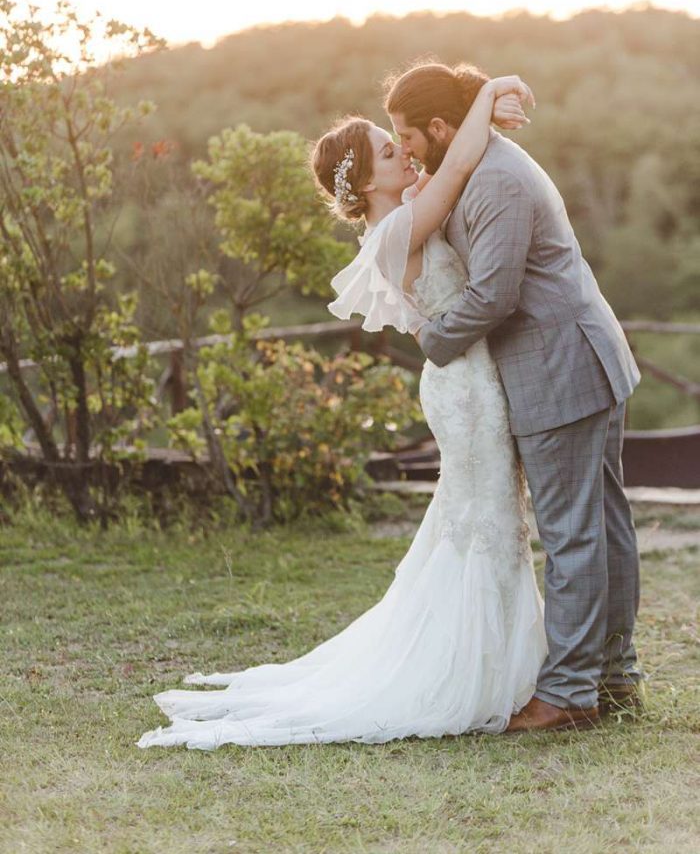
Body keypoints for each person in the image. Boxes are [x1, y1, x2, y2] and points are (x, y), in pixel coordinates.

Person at [137, 74, 547, 751]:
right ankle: (479, 673)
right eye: (391, 153)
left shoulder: (403, 208)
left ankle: (507, 664)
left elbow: (453, 162)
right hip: (464, 389)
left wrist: (477, 104)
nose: (406, 156)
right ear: (365, 183)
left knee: (490, 518)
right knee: (488, 522)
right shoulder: (394, 230)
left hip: (470, 378)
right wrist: (488, 89)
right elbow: (464, 159)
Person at [385, 61, 645, 733]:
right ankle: (615, 677)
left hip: (561, 366)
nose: (405, 148)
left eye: (406, 135)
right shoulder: (476, 162)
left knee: (574, 532)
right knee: (600, 525)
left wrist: (434, 340)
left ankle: (568, 695)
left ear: (441, 127)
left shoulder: (497, 180)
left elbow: (495, 294)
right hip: (577, 357)